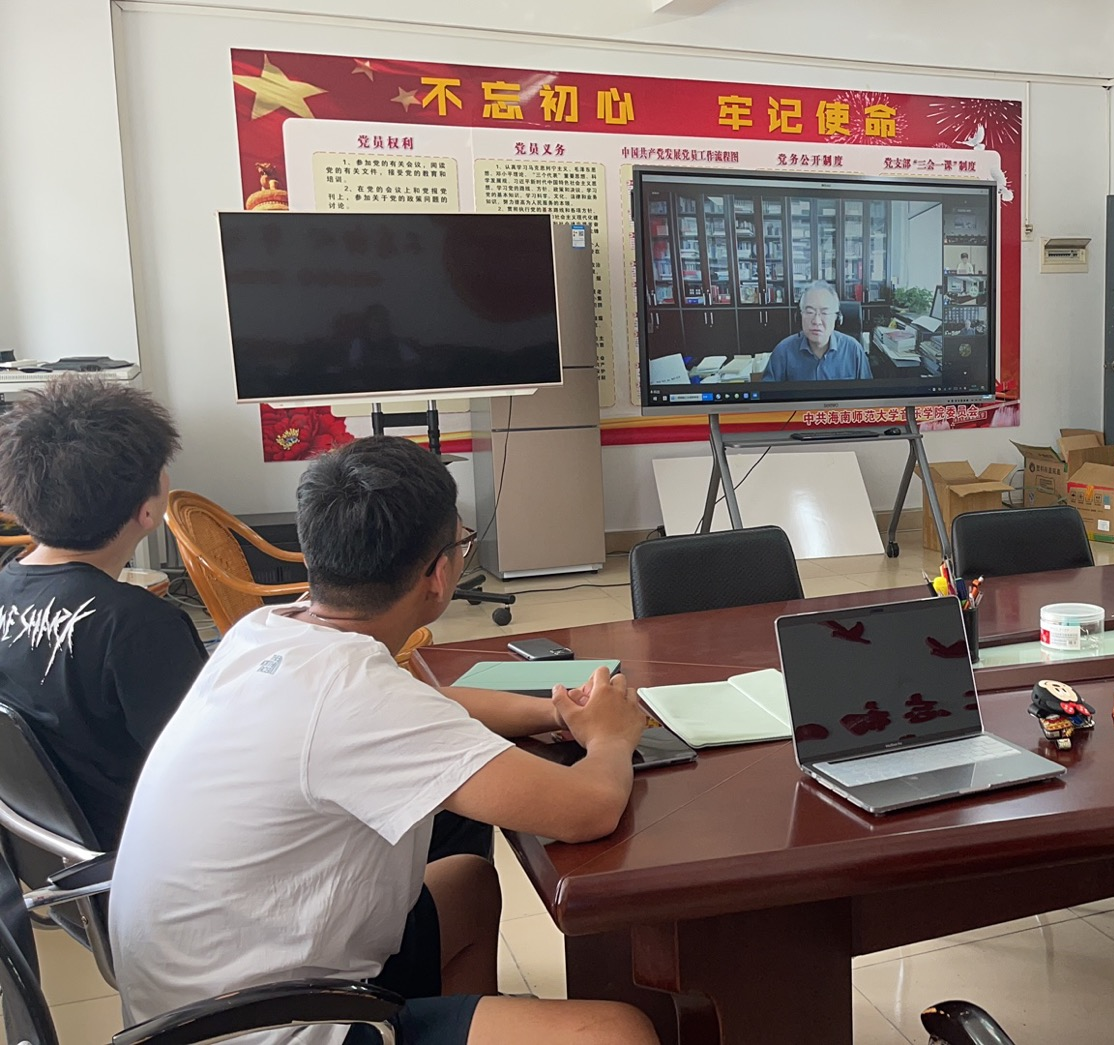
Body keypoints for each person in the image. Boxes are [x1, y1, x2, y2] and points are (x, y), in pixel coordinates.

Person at [111, 436, 658, 1045]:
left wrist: (550, 715)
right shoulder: (354, 698)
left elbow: (417, 708)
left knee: (468, 886)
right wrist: (609, 737)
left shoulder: (270, 632)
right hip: (254, 1027)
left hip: (193, 995)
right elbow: (588, 809)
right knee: (614, 1030)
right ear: (439, 574)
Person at [0, 376, 205, 847]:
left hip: (56, 857)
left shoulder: (7, 585)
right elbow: (206, 773)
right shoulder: (139, 627)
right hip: (147, 862)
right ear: (148, 512)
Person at [763, 282, 872, 382]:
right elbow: (766, 398)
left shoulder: (853, 350)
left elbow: (868, 395)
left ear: (837, 318)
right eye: (810, 312)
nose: (816, 321)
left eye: (824, 313)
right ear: (799, 316)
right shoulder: (783, 351)